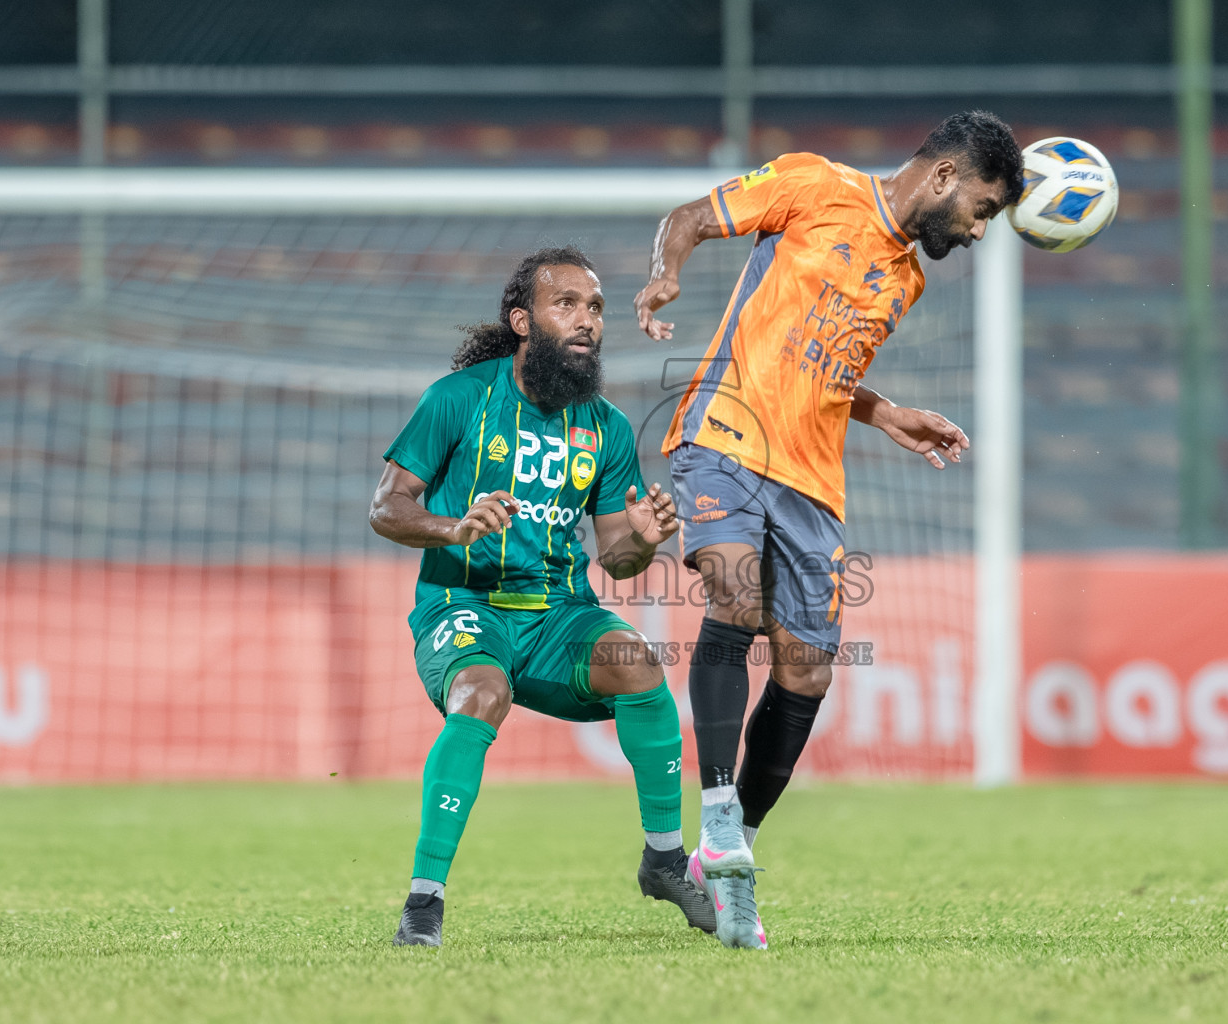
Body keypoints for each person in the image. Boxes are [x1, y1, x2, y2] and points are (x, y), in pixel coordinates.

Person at [633, 111, 1024, 949]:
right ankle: (717, 814)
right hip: (724, 436)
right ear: (947, 177)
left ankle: (720, 856)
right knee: (732, 596)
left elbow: (823, 368)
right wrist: (666, 273)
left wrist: (888, 415)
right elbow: (690, 218)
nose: (982, 229)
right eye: (984, 207)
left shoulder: (907, 282)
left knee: (808, 675)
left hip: (812, 481)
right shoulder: (815, 184)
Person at [372, 245, 712, 947]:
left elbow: (617, 561)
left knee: (640, 664)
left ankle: (665, 859)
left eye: (594, 308)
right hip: (465, 605)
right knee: (480, 693)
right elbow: (386, 506)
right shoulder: (459, 398)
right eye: (567, 304)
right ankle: (423, 903)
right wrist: (451, 526)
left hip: (559, 615)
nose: (586, 320)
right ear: (522, 321)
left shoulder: (607, 428)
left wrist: (644, 538)